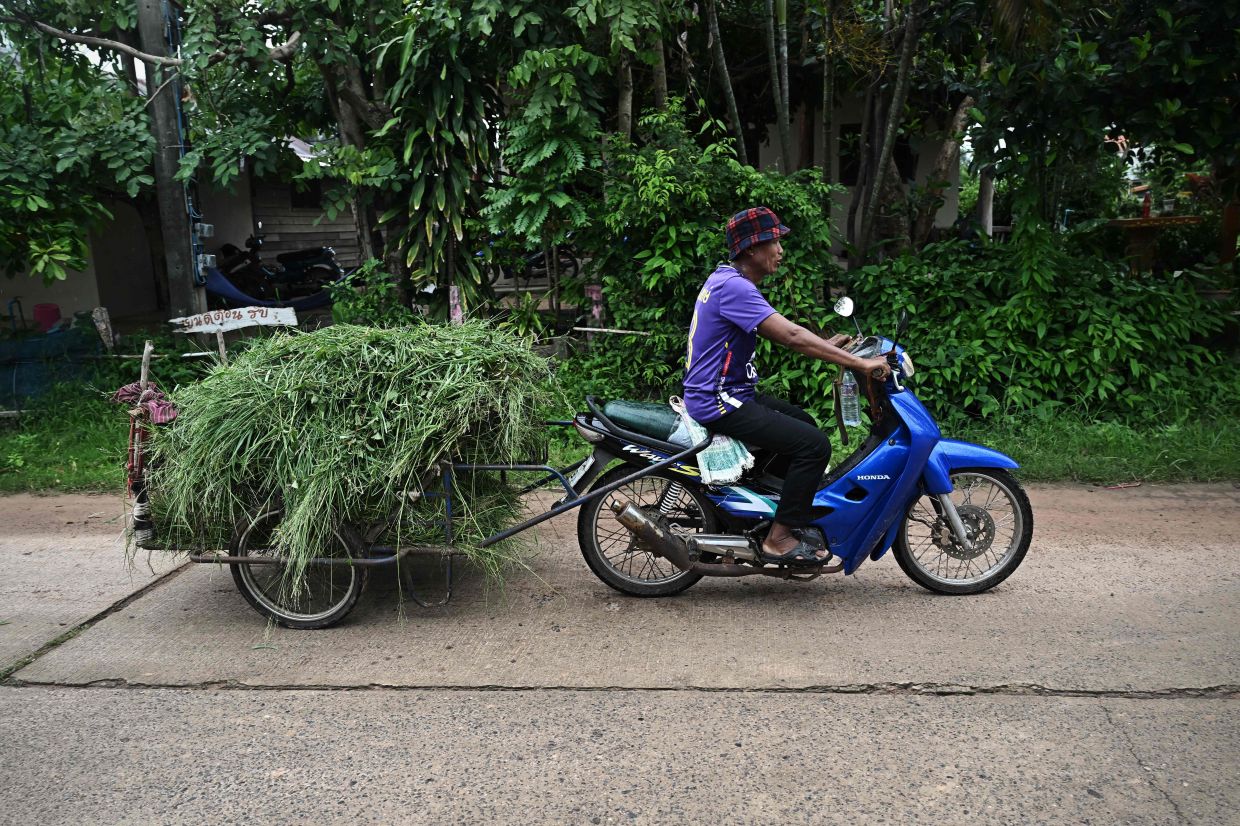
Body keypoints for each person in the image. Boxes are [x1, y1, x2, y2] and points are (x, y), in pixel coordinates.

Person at [682, 206, 890, 565]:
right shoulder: (734, 288)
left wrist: (831, 346)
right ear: (751, 249)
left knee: (804, 424)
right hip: (718, 400)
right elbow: (792, 336)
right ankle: (778, 539)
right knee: (814, 446)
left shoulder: (728, 280)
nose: (780, 250)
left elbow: (787, 329)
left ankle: (769, 512)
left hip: (730, 393)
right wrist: (860, 363)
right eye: (774, 242)